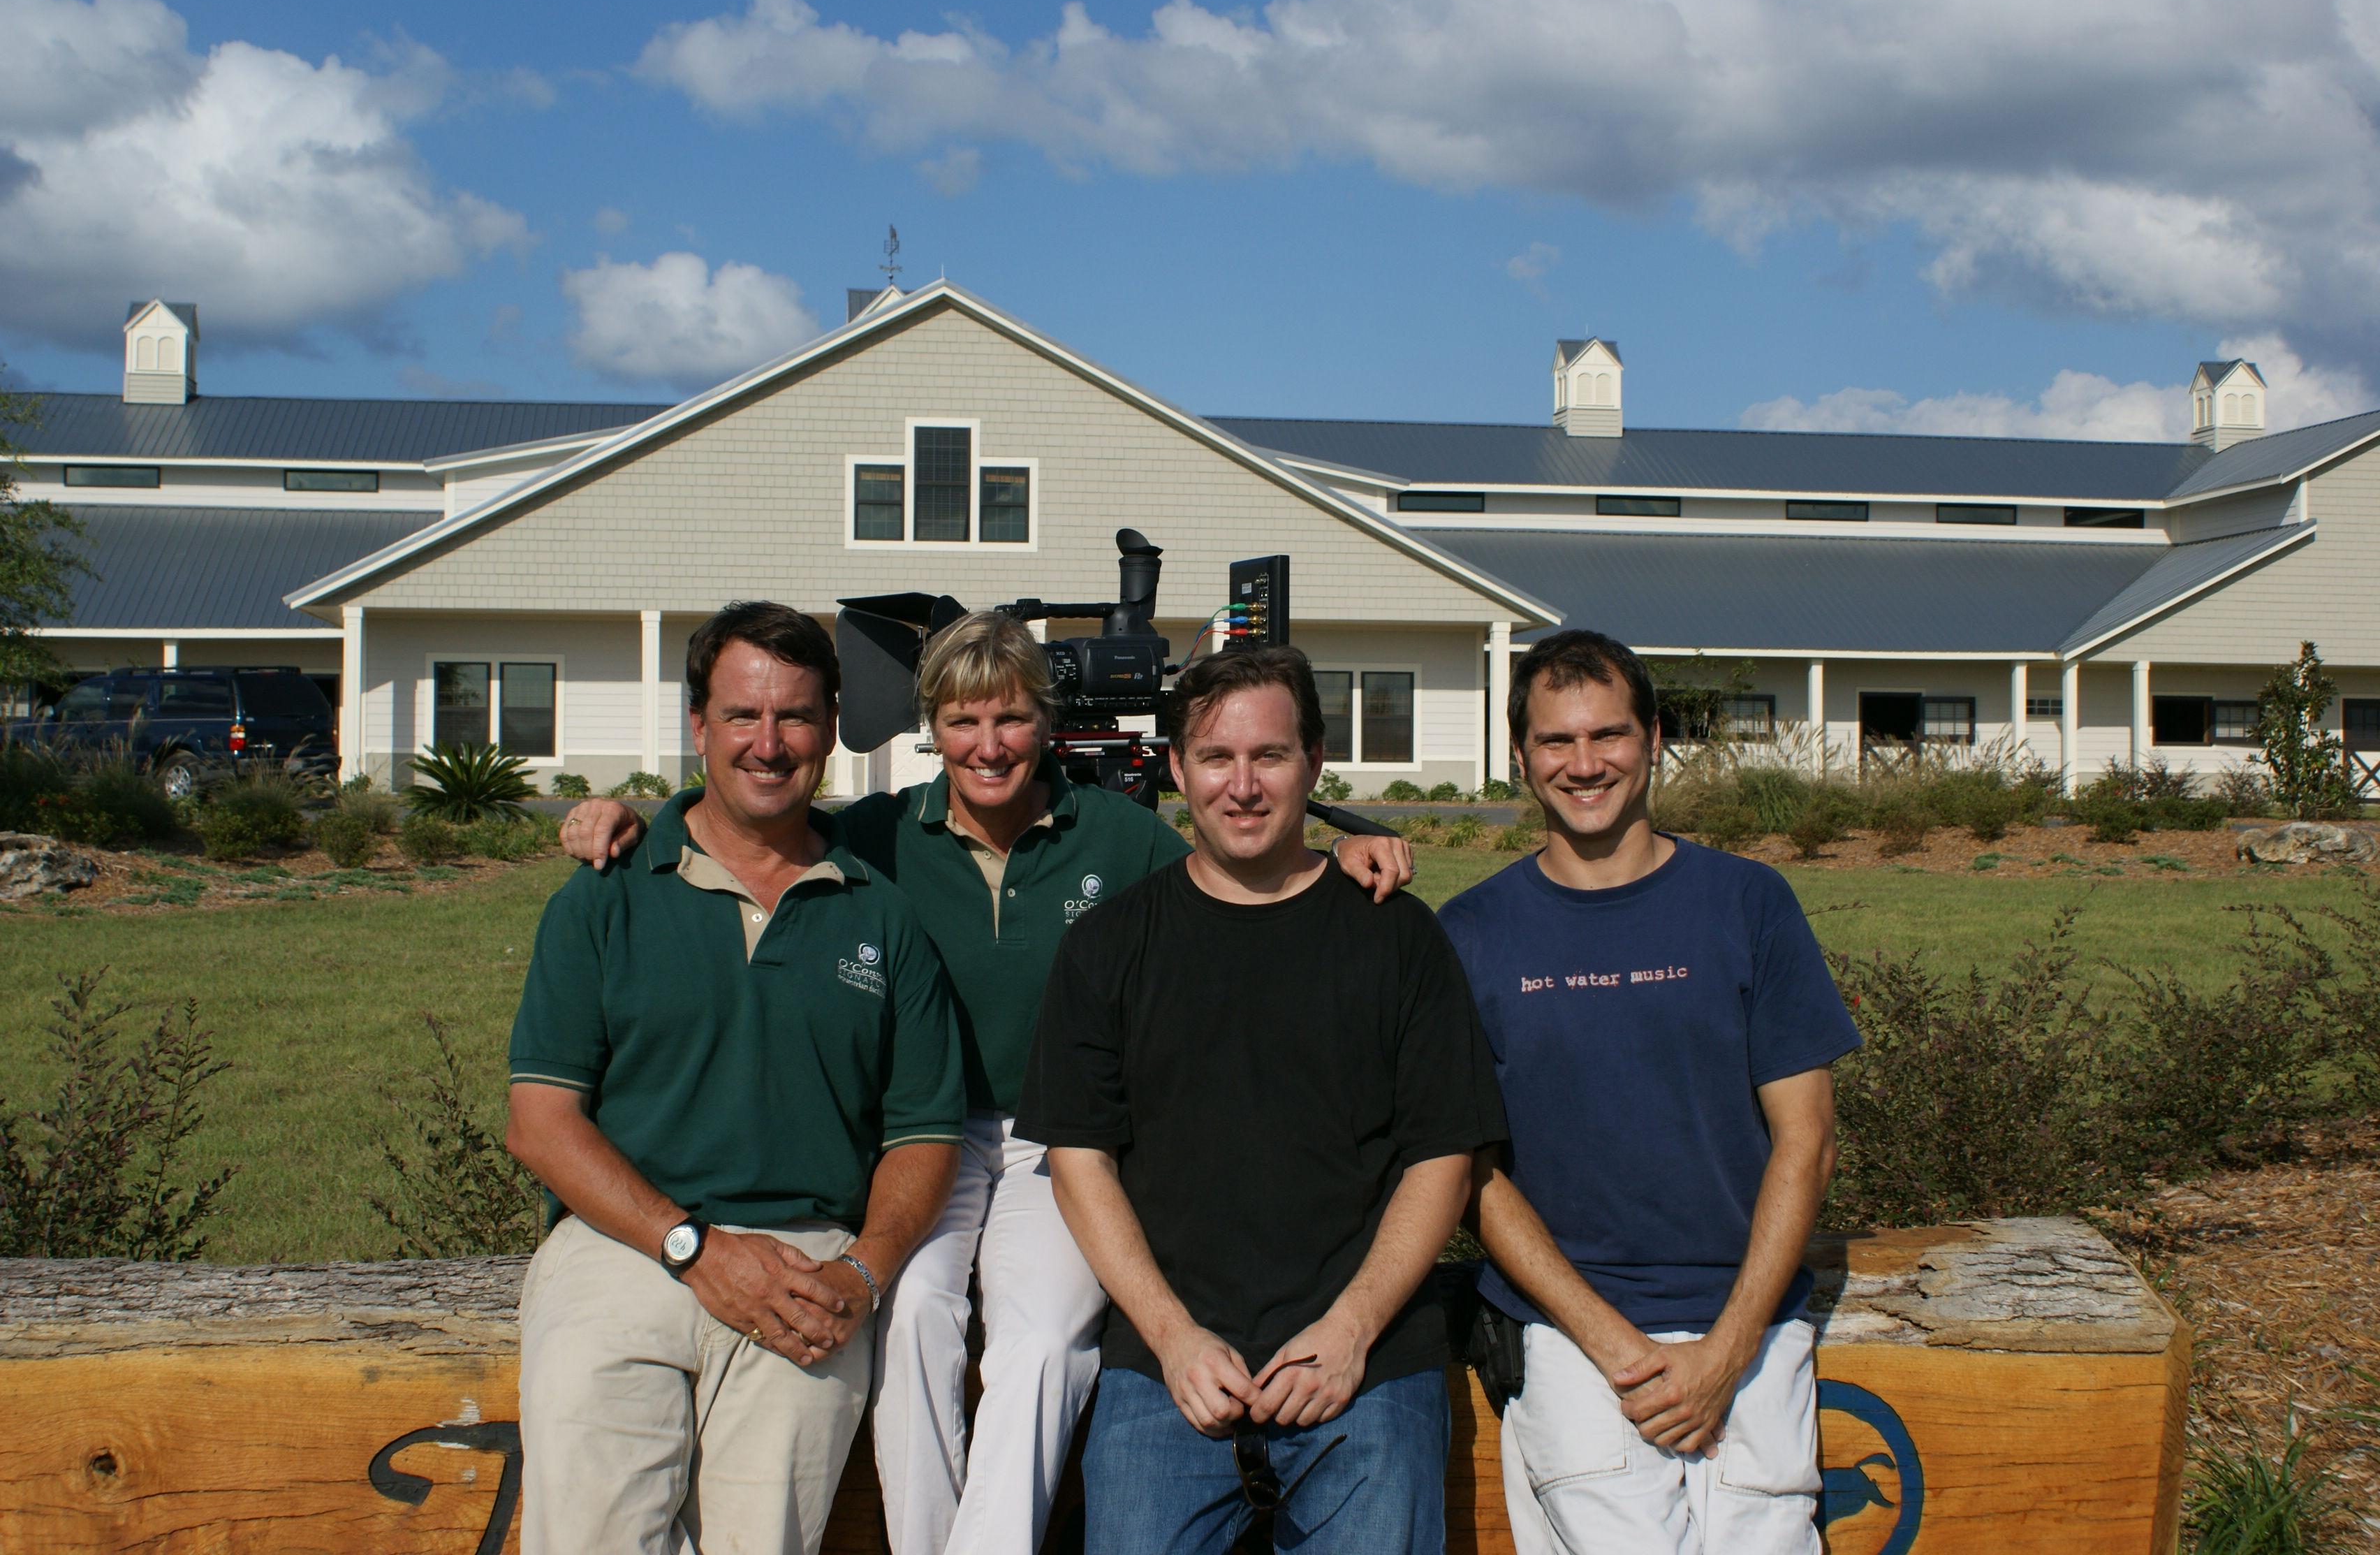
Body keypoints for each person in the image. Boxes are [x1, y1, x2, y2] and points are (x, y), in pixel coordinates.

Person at [558, 611, 1415, 1555]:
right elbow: (757, 818)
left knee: (1042, 1338)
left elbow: (1239, 868)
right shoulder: (882, 836)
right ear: (933, 729)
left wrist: (1339, 856)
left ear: (1044, 723)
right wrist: (627, 820)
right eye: (962, 722)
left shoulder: (1117, 838)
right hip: (921, 1138)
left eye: (1010, 718)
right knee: (915, 1313)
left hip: (1065, 1140)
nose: (988, 745)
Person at [1016, 645, 1508, 1555]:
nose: (1242, 786)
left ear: (1314, 765)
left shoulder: (1394, 937)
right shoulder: (1111, 947)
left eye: (1269, 757)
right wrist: (1172, 1339)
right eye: (1215, 758)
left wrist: (1351, 1330)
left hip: (1366, 1358)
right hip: (1172, 1362)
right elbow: (1079, 1159)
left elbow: (1444, 1153)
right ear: (1176, 769)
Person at [504, 601, 966, 1555]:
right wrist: (694, 1249)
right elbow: (541, 1123)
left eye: (795, 716)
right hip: (622, 1249)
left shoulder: (881, 912)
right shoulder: (607, 892)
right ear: (699, 727)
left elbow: (922, 1133)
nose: (770, 742)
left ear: (832, 729)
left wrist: (862, 1274)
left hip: (808, 1261)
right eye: (743, 715)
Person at [1437, 629, 1858, 1555]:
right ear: (1520, 756)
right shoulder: (1469, 936)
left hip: (1749, 1326)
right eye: (1556, 741)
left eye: (1609, 736)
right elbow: (1472, 1171)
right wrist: (1612, 1344)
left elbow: (1807, 1139)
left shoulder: (1749, 904)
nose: (1584, 764)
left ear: (1654, 738)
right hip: (1566, 1332)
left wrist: (1731, 1348)